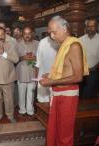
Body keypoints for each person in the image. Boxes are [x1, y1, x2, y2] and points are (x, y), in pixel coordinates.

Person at [39, 16, 89, 146]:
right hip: (58, 93)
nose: (52, 36)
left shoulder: (74, 46)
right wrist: (51, 76)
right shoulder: (63, 45)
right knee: (54, 130)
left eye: (54, 32)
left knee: (64, 134)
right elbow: (66, 70)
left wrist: (50, 82)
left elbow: (78, 77)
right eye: (50, 32)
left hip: (68, 96)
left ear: (65, 28)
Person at [16, 26, 39, 117]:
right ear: (22, 34)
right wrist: (22, 58)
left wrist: (35, 58)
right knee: (21, 93)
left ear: (32, 34)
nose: (27, 35)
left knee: (31, 93)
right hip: (21, 72)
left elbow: (41, 57)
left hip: (33, 72)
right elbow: (14, 59)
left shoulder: (38, 43)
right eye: (25, 34)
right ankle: (22, 110)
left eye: (29, 33)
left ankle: (30, 110)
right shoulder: (17, 44)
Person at [79, 19, 99, 98]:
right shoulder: (81, 39)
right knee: (80, 93)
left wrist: (93, 68)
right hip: (81, 72)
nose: (90, 28)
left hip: (94, 72)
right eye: (88, 26)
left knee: (90, 94)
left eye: (92, 26)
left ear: (96, 27)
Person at [35, 36, 58, 102]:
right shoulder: (42, 42)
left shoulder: (60, 41)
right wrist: (37, 78)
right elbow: (38, 61)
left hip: (56, 76)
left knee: (54, 100)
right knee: (43, 101)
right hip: (42, 75)